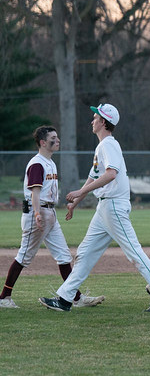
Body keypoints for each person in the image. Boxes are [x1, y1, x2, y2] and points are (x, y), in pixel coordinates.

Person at [39, 104, 150, 312]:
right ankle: (65, 299)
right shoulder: (102, 145)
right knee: (85, 253)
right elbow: (93, 177)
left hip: (113, 205)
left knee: (134, 253)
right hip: (105, 208)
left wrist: (77, 193)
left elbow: (111, 174)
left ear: (103, 122)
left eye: (95, 118)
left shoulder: (108, 144)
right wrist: (77, 199)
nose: (92, 121)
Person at [2, 127, 104, 309]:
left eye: (57, 137)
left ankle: (76, 297)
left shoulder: (50, 163)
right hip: (38, 213)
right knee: (24, 256)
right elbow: (35, 191)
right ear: (42, 143)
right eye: (53, 138)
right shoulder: (37, 163)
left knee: (64, 256)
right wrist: (37, 213)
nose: (57, 141)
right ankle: (4, 297)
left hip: (50, 213)